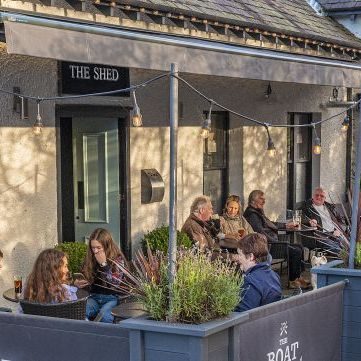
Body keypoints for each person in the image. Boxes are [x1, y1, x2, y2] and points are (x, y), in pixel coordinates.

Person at [244, 190, 310, 289]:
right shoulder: (252, 214)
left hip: (273, 243)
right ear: (253, 200)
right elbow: (260, 233)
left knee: (299, 247)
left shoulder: (257, 212)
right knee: (295, 251)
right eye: (261, 199)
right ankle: (292, 281)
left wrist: (286, 225)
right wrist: (276, 242)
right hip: (268, 246)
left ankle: (297, 277)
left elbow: (271, 223)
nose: (264, 201)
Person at [75, 228, 126, 323]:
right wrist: (78, 283)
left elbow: (115, 284)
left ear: (107, 246)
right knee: (80, 312)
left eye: (99, 247)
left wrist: (104, 265)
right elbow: (87, 279)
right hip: (94, 296)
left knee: (105, 315)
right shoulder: (90, 258)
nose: (95, 251)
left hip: (112, 298)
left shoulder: (118, 259)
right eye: (92, 247)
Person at [234, 233, 282, 312]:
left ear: (251, 257)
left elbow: (243, 314)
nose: (238, 259)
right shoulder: (274, 275)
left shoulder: (250, 281)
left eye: (240, 254)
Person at [300, 187, 347, 252]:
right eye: (317, 195)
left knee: (350, 247)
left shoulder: (331, 207)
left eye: (322, 196)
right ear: (313, 196)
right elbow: (299, 217)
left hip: (334, 234)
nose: (319, 197)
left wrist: (338, 230)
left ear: (325, 198)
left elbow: (342, 222)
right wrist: (309, 221)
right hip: (319, 236)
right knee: (338, 250)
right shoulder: (307, 206)